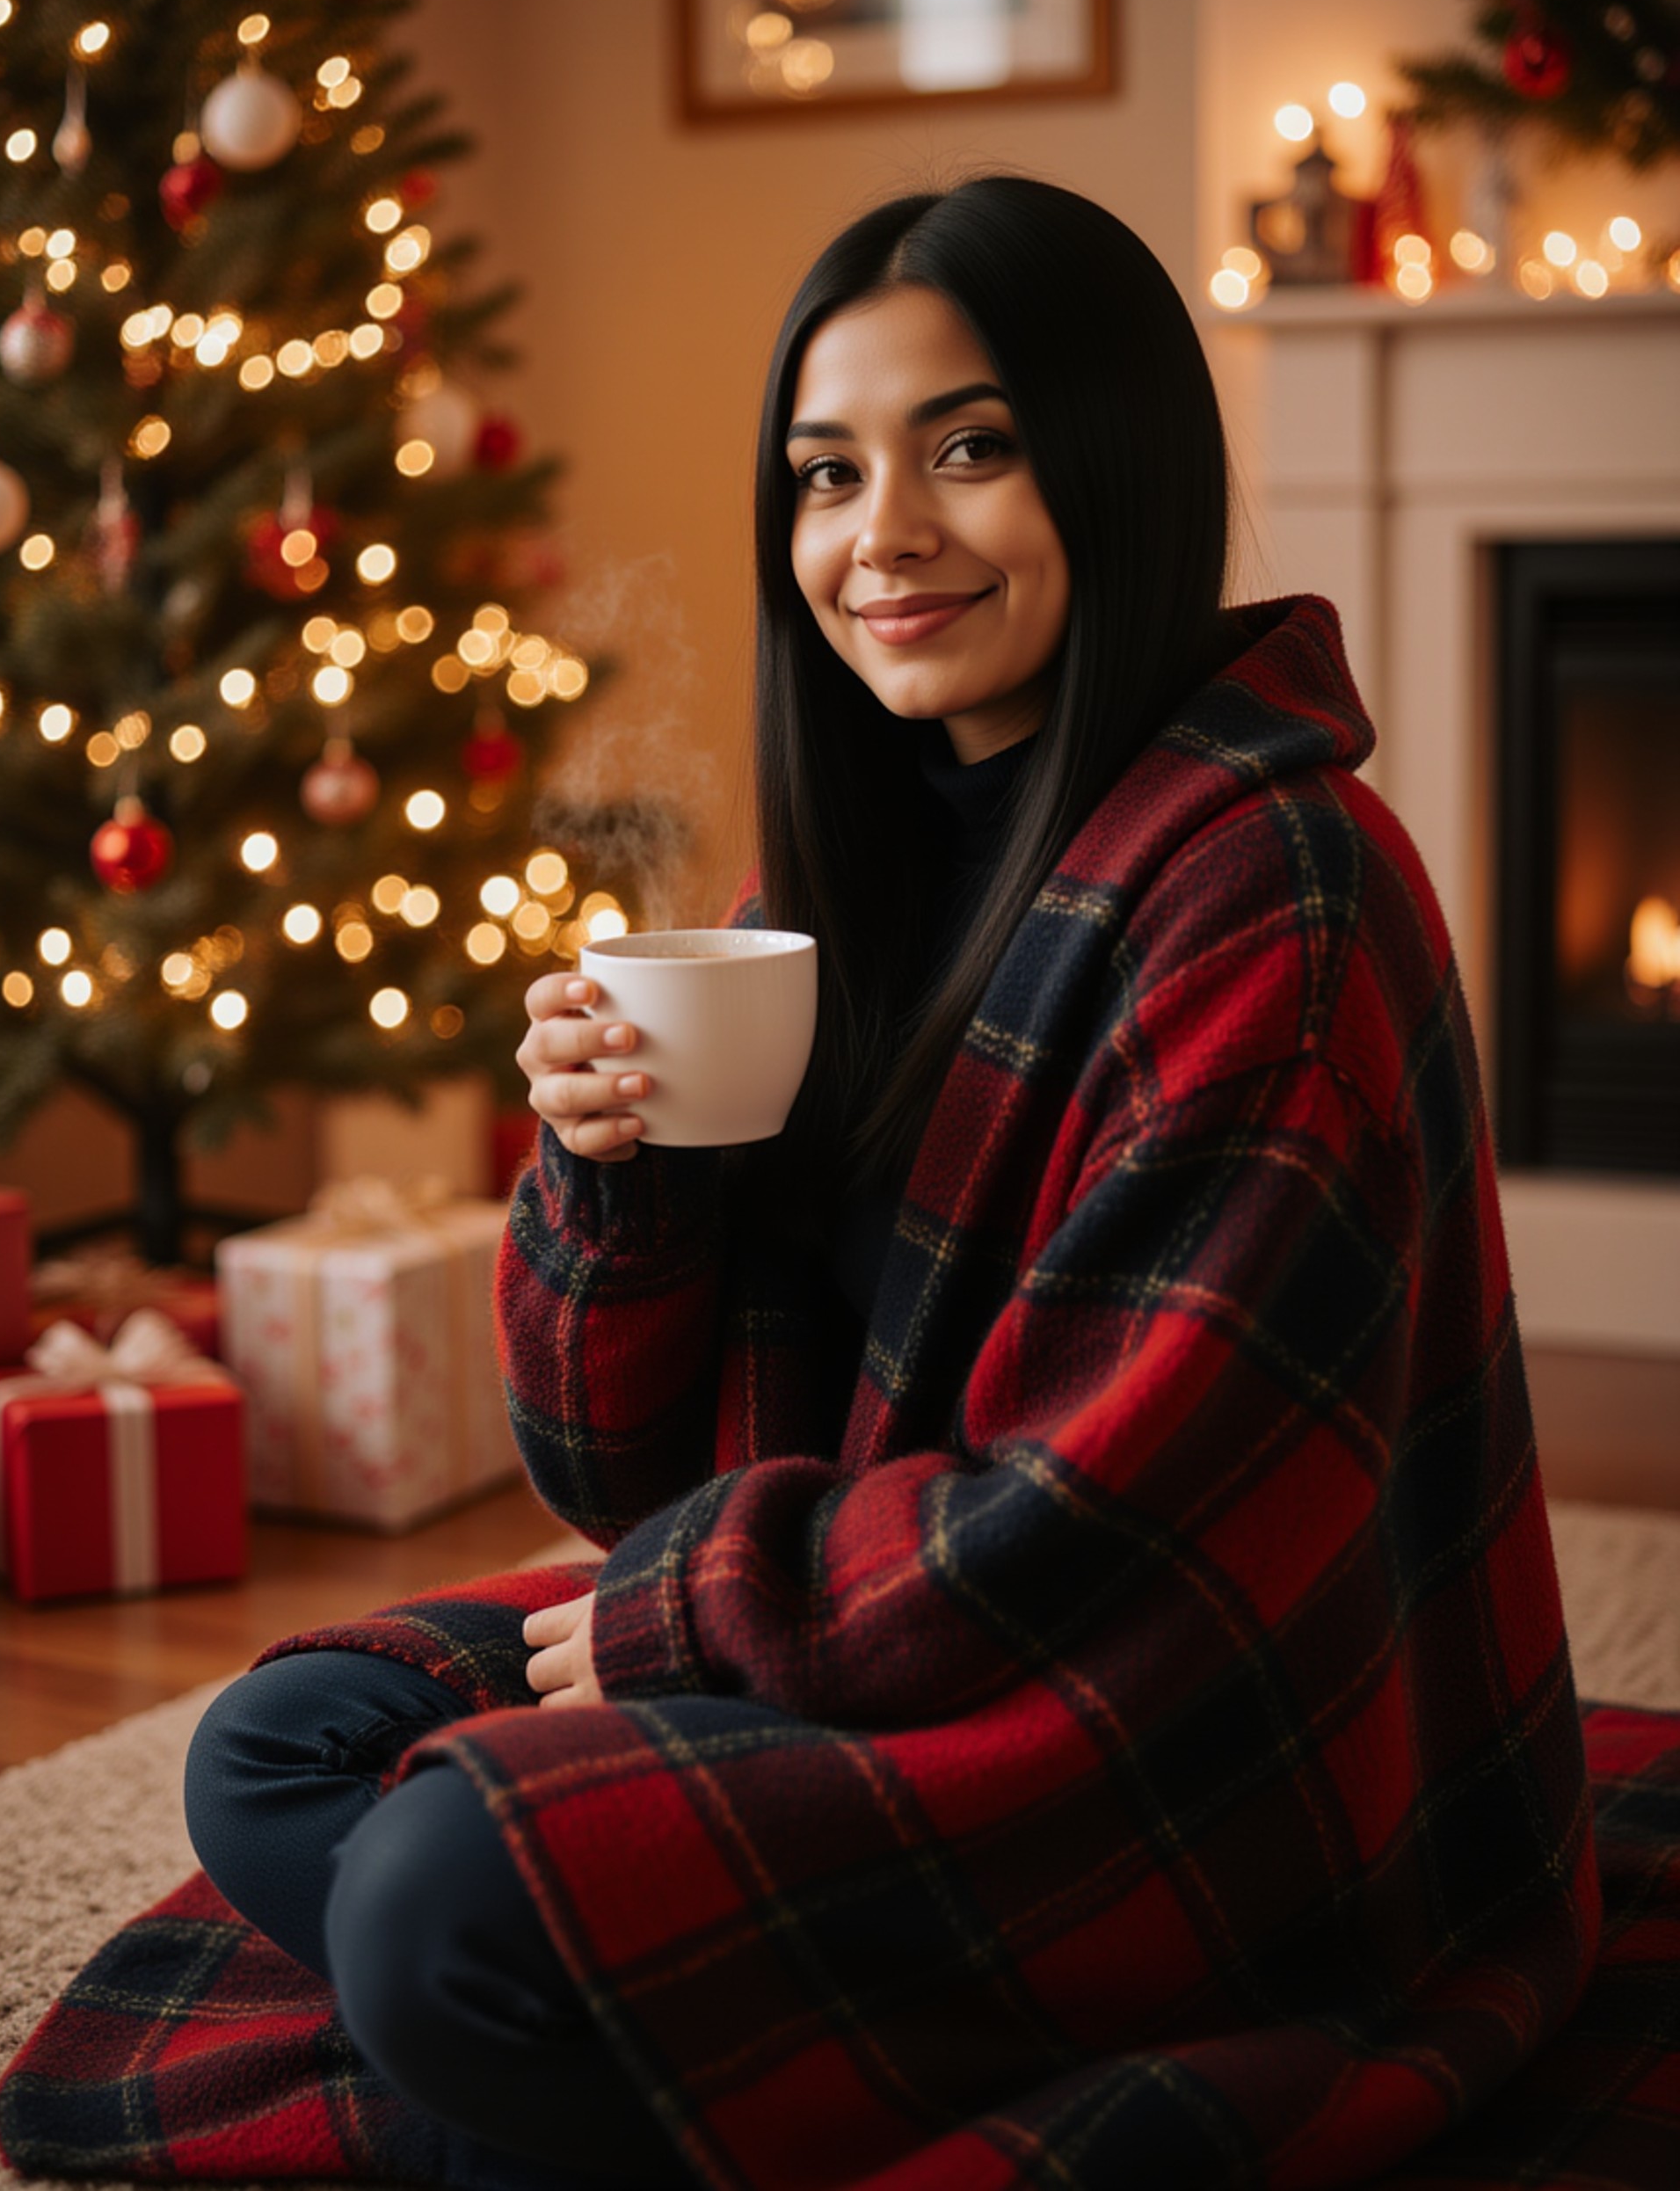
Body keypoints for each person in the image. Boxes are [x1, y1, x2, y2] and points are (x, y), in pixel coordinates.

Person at [177, 176, 1596, 2189]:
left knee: (435, 1895)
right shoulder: (835, 889)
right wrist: (610, 1181)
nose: (883, 536)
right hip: (877, 1647)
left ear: (1116, 462)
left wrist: (690, 1615)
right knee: (279, 1748)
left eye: (972, 448)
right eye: (825, 474)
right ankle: (708, 2060)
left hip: (1156, 1744)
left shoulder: (1281, 893)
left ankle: (652, 2063)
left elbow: (1099, 1530)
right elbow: (604, 1463)